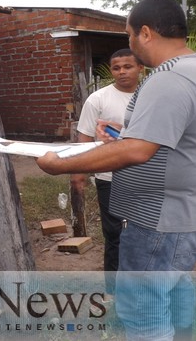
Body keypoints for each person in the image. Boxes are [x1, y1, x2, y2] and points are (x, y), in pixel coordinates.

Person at [37, 0, 196, 341]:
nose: (129, 43)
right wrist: (125, 135)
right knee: (173, 285)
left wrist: (61, 163)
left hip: (165, 217)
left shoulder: (170, 78)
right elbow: (159, 139)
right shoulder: (192, 68)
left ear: (146, 33)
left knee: (142, 306)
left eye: (129, 35)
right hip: (187, 209)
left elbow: (138, 151)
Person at [71, 48, 144, 301]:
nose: (122, 72)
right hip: (109, 179)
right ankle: (113, 292)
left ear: (140, 68)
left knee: (144, 234)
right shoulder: (98, 100)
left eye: (128, 66)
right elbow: (83, 139)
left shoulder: (151, 97)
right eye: (116, 67)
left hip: (146, 178)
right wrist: (78, 175)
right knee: (114, 235)